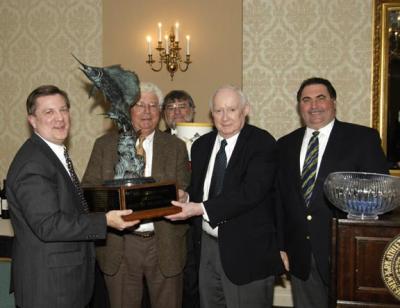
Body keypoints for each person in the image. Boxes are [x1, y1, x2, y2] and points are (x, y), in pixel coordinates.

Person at [6, 85, 139, 308]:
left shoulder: (51, 153)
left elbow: (71, 204)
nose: (59, 118)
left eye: (64, 109)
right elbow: (49, 225)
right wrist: (105, 220)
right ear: (32, 120)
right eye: (48, 112)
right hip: (50, 288)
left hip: (63, 282)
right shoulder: (33, 164)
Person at [166, 85, 284, 308]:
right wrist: (186, 197)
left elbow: (251, 192)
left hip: (247, 250)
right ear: (211, 114)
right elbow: (201, 190)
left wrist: (200, 208)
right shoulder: (201, 145)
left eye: (231, 109)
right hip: (208, 247)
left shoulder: (262, 143)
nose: (225, 117)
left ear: (245, 110)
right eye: (219, 111)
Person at [276, 77, 389, 308]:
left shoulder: (362, 139)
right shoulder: (285, 145)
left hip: (347, 254)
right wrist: (280, 245)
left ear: (333, 102)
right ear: (299, 106)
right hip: (300, 255)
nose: (314, 106)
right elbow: (279, 200)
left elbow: (381, 195)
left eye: (321, 98)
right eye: (306, 100)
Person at [82, 82, 191, 308]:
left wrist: (183, 197)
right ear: (128, 109)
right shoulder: (104, 145)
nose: (147, 111)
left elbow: (183, 185)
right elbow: (88, 189)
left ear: (160, 111)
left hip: (165, 244)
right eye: (140, 105)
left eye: (153, 105)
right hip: (119, 245)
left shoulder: (176, 146)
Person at [162, 89, 199, 308]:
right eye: (170, 107)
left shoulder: (207, 140)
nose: (176, 112)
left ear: (193, 111)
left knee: (194, 283)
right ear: (163, 114)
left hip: (199, 223)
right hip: (165, 225)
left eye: (182, 106)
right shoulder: (154, 142)